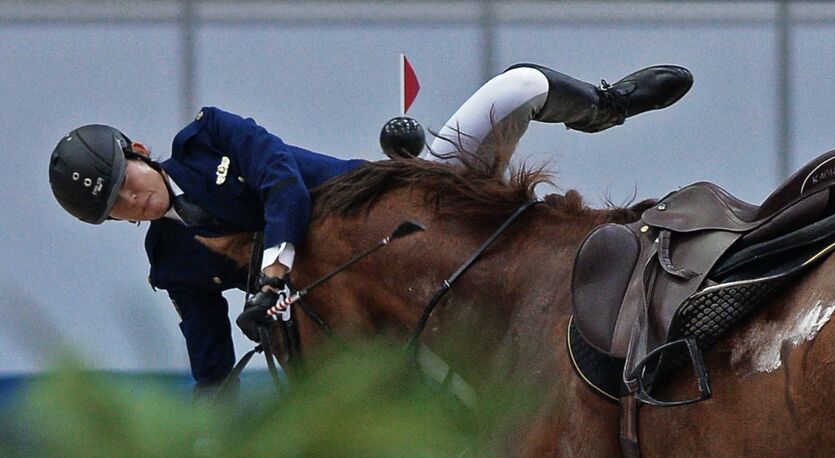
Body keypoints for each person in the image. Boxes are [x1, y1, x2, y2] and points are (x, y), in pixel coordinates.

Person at [48, 64, 692, 390]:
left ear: (137, 150)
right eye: (113, 210)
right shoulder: (172, 260)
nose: (130, 204)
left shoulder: (207, 136)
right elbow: (209, 355)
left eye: (123, 184)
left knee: (516, 86)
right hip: (370, 317)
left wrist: (273, 269)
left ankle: (608, 104)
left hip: (408, 207)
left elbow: (280, 180)